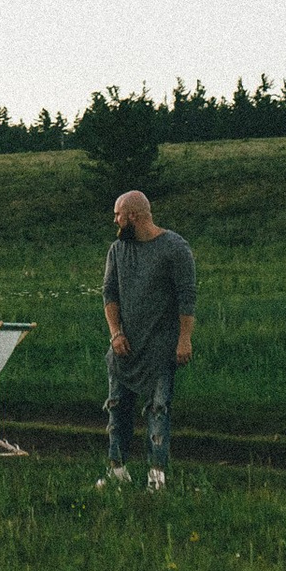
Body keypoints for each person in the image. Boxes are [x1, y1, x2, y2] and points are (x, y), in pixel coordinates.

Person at [99, 189, 196, 491]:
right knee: (117, 408)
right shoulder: (117, 250)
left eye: (117, 214)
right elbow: (109, 293)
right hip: (124, 347)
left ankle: (157, 478)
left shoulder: (174, 248)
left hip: (160, 347)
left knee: (158, 411)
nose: (114, 220)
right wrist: (115, 332)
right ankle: (117, 471)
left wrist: (184, 339)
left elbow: (187, 296)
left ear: (133, 216)